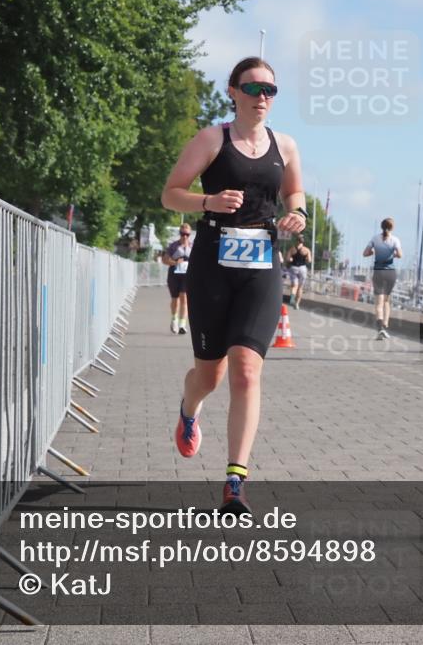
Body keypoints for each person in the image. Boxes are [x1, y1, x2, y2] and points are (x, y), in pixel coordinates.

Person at [161, 56, 306, 515]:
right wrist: (209, 200)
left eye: (271, 90)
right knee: (211, 374)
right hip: (212, 264)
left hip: (262, 266)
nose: (262, 97)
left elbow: (296, 196)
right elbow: (170, 194)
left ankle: (235, 482)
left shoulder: (285, 145)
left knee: (246, 369)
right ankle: (189, 409)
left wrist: (297, 216)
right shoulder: (211, 139)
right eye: (253, 88)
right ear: (233, 91)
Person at [363, 218, 402, 340]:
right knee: (386, 301)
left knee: (378, 303)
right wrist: (392, 255)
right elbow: (400, 255)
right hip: (390, 273)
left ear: (381, 227)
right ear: (392, 228)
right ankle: (385, 325)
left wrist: (374, 252)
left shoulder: (375, 238)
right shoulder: (395, 240)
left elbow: (365, 253)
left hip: (378, 272)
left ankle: (380, 329)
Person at [161, 223, 193, 334]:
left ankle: (182, 324)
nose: (184, 236)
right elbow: (164, 260)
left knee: (184, 297)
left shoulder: (192, 246)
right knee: (175, 299)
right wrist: (175, 262)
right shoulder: (173, 246)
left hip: (187, 275)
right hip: (174, 274)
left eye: (187, 234)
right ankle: (174, 320)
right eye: (182, 234)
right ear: (179, 234)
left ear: (190, 235)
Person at [286, 235, 310, 310]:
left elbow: (288, 259)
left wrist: (291, 259)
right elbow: (309, 260)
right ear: (303, 241)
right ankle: (297, 304)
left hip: (293, 268)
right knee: (300, 287)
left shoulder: (292, 249)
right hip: (302, 268)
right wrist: (305, 258)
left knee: (294, 285)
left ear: (297, 241)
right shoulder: (306, 250)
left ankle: (292, 297)